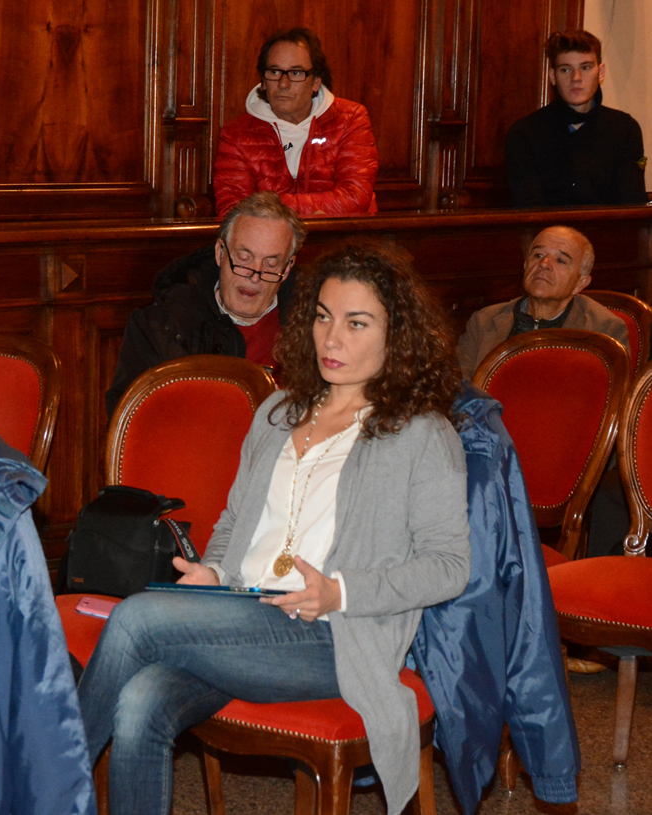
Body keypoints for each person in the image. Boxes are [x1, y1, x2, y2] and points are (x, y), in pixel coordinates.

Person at [79, 240, 471, 815]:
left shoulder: (421, 434)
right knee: (140, 700)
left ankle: (48, 788)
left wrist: (341, 591)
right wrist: (215, 570)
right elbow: (236, 519)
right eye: (323, 317)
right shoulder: (277, 412)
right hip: (243, 612)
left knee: (136, 620)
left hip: (330, 637)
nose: (331, 339)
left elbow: (449, 566)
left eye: (356, 323)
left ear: (397, 336)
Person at [106, 192, 304, 415]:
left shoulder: (312, 327)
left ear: (287, 267)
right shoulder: (160, 326)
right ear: (220, 253)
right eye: (244, 258)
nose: (254, 276)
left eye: (270, 264)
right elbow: (129, 420)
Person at [213, 28, 379, 218]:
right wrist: (313, 211)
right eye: (274, 71)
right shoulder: (236, 134)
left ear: (316, 81)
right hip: (268, 237)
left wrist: (269, 205)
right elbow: (232, 211)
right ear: (264, 81)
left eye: (296, 72)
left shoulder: (350, 119)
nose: (283, 84)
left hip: (339, 234)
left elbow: (356, 198)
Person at [456, 225, 628, 377]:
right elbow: (457, 387)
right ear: (525, 266)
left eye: (561, 260)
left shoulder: (604, 330)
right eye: (538, 255)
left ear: (580, 283)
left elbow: (609, 397)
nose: (544, 264)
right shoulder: (484, 321)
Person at [506, 30, 647, 207]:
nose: (576, 78)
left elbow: (633, 202)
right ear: (552, 76)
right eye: (565, 70)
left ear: (601, 72)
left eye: (585, 67)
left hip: (607, 225)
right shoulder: (524, 134)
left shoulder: (625, 129)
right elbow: (528, 209)